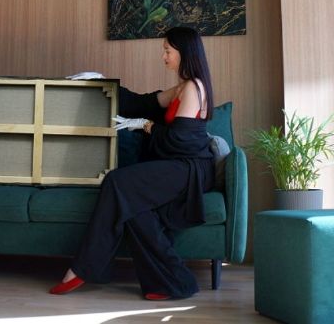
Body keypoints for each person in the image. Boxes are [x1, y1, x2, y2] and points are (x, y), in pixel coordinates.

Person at [49, 26, 215, 300]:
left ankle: (82, 268)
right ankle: (175, 283)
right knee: (136, 212)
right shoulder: (182, 87)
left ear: (184, 52)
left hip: (190, 169)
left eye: (167, 50)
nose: (163, 56)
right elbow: (140, 103)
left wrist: (146, 126)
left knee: (117, 181)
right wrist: (101, 82)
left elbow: (180, 140)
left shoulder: (194, 88)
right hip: (179, 165)